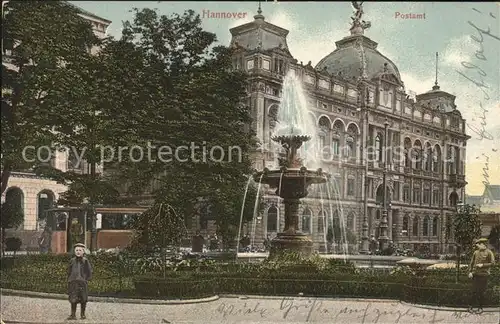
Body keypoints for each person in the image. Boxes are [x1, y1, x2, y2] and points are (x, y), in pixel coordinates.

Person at [468, 237, 495, 314]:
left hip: (484, 275)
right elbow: (471, 263)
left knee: (481, 292)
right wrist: (470, 272)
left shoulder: (489, 252)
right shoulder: (476, 252)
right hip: (475, 275)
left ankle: (480, 307)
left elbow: (493, 263)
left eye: (479, 244)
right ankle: (470, 306)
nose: (477, 246)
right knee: (473, 291)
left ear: (483, 244)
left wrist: (483, 265)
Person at [67, 243, 92, 320]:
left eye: (80, 250)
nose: (78, 252)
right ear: (74, 252)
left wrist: (86, 279)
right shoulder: (72, 261)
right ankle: (73, 314)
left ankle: (82, 314)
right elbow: (68, 271)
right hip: (73, 282)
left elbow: (89, 271)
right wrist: (70, 279)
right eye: (77, 250)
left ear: (83, 252)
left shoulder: (85, 261)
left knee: (83, 299)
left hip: (82, 283)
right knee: (73, 299)